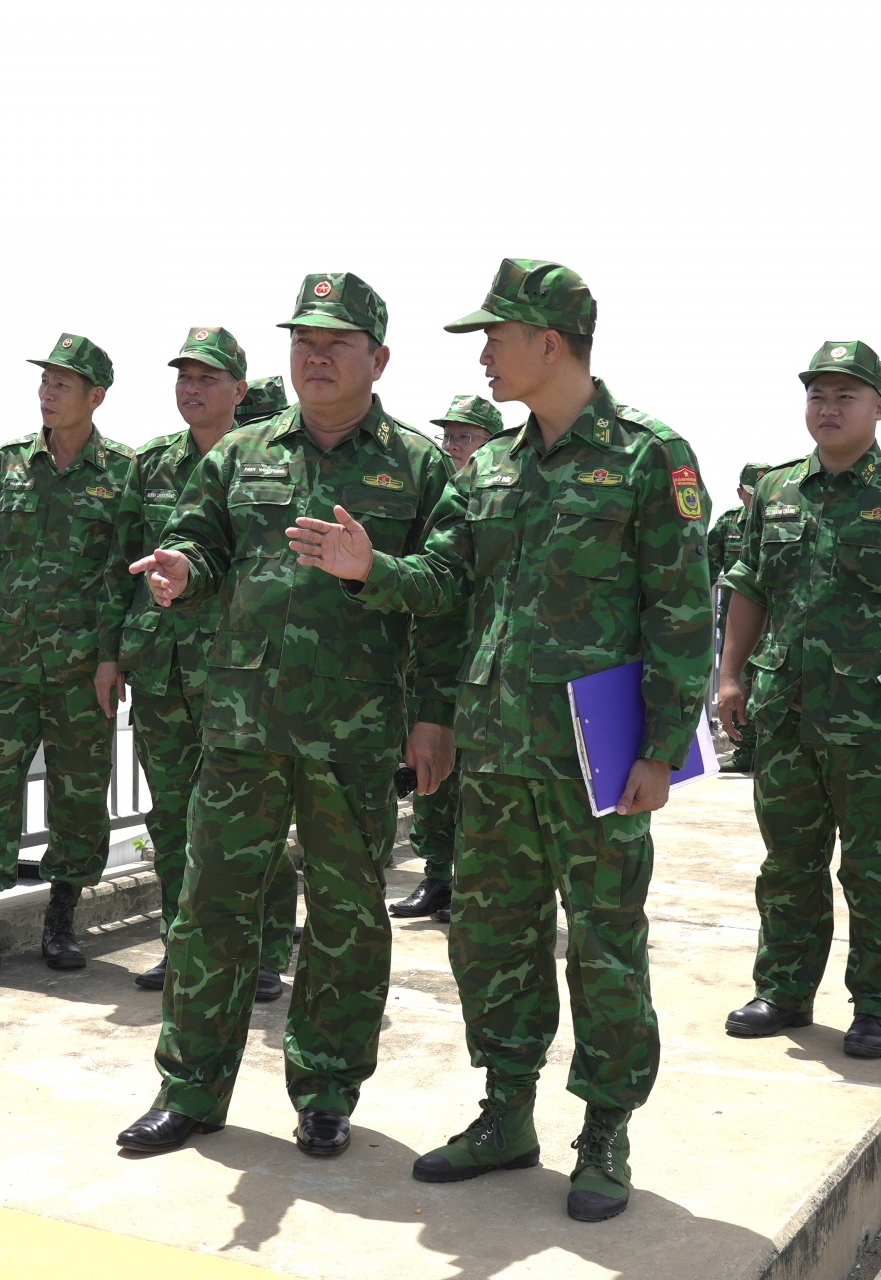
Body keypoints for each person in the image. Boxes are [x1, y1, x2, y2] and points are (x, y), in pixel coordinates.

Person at [289, 259, 713, 1223]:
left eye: (496, 336)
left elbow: (683, 609)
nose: (483, 354)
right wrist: (373, 569)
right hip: (495, 747)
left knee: (605, 944)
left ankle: (605, 1130)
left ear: (550, 343)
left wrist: (661, 746)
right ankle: (507, 1111)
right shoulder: (488, 468)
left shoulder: (651, 457)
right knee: (491, 939)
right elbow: (443, 586)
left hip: (599, 749)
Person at [115, 272, 461, 1159]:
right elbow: (202, 541)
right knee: (211, 907)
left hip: (353, 734)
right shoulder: (242, 452)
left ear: (377, 359)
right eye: (303, 339)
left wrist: (431, 715)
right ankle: (190, 1089)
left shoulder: (419, 468)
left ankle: (327, 1089)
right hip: (241, 724)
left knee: (346, 917)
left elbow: (449, 597)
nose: (315, 355)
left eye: (337, 341)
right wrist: (184, 571)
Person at [714, 341, 881, 1061]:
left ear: (879, 409)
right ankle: (785, 991)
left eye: (845, 397)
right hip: (786, 711)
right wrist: (730, 677)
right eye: (818, 396)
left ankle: (880, 1003)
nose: (828, 409)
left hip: (875, 722)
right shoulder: (775, 491)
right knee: (788, 861)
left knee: (875, 865)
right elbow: (749, 589)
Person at [0, 334, 136, 980]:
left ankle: (63, 920)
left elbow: (124, 576)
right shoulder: (7, 465)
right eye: (45, 381)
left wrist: (111, 658)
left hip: (81, 672)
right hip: (9, 666)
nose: (48, 391)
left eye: (63, 384)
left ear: (96, 397)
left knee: (78, 795)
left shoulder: (123, 474)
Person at [115, 326, 294, 1002]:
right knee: (171, 819)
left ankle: (267, 952)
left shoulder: (270, 463)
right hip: (164, 672)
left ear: (239, 391)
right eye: (184, 378)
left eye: (208, 378)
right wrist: (115, 655)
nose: (192, 389)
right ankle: (182, 945)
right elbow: (120, 568)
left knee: (256, 821)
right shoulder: (152, 464)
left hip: (246, 676)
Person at [392, 392, 505, 923]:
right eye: (449, 435)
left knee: (481, 782)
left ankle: (477, 880)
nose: (453, 444)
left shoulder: (501, 492)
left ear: (490, 443)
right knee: (431, 774)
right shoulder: (438, 493)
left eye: (465, 436)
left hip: (486, 664)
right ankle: (437, 876)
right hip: (431, 660)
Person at [708, 462, 773, 774]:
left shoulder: (783, 522)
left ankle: (770, 749)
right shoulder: (728, 524)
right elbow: (705, 570)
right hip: (736, 625)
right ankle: (745, 749)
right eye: (751, 493)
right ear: (740, 493)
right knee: (738, 684)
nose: (756, 499)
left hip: (776, 626)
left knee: (770, 686)